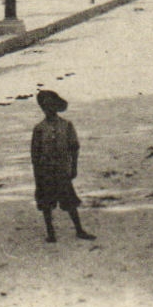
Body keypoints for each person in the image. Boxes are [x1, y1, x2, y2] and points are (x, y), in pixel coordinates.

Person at [30, 90, 94, 243]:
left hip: (62, 170)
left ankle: (79, 230)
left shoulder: (66, 125)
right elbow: (35, 155)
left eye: (51, 106)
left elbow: (74, 148)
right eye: (45, 106)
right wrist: (37, 175)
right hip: (45, 171)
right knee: (46, 203)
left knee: (70, 201)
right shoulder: (39, 129)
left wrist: (74, 167)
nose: (48, 109)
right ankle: (50, 233)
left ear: (57, 107)